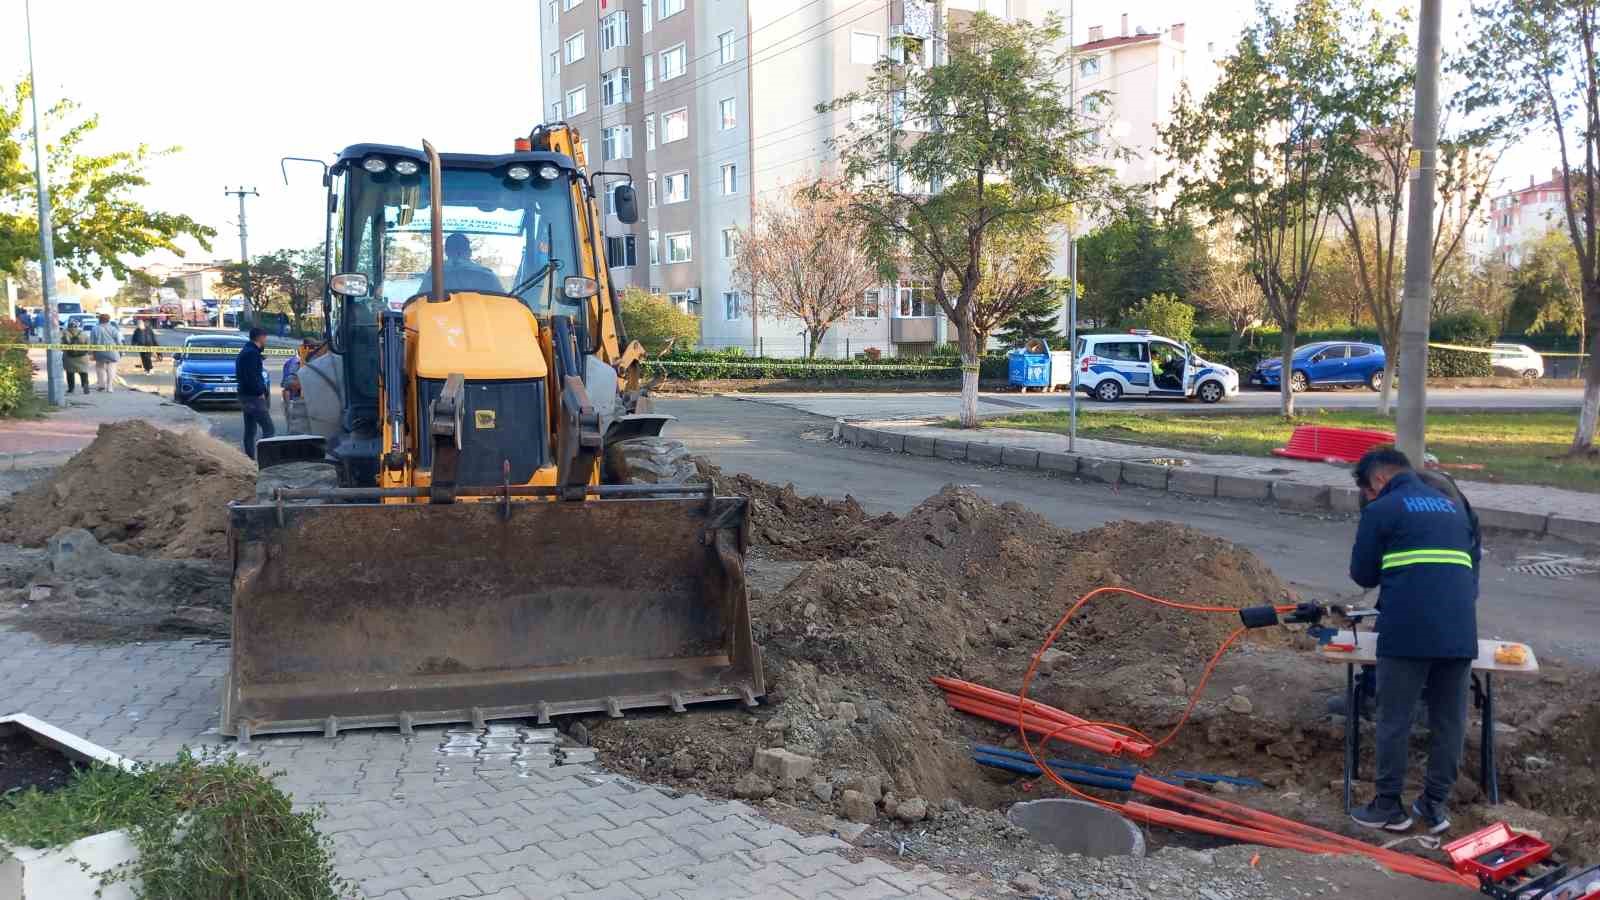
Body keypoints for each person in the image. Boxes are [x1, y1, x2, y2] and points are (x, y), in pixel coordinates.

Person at [1348, 447, 1479, 835]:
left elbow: (1363, 575)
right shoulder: (1452, 506)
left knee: (1395, 719)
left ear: (1379, 482)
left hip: (1407, 631)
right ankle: (1434, 806)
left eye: (1368, 493)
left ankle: (1389, 805)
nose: (1370, 500)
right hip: (1459, 630)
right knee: (1450, 720)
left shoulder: (1382, 509)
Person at [236, 327, 275, 458]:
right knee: (269, 429)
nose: (266, 340)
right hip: (253, 397)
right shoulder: (252, 353)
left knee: (250, 431)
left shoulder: (248, 351)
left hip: (245, 395)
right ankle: (266, 460)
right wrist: (260, 392)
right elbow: (252, 376)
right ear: (260, 337)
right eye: (265, 337)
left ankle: (250, 460)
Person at [88, 313, 123, 392]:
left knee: (99, 367)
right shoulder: (113, 329)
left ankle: (101, 384)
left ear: (99, 320)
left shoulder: (95, 329)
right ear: (108, 320)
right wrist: (121, 351)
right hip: (112, 352)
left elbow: (91, 342)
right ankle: (110, 386)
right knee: (111, 367)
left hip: (99, 352)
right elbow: (118, 341)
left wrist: (90, 353)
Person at [61, 319, 92, 394]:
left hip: (69, 357)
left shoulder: (64, 333)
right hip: (82, 357)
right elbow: (89, 345)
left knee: (70, 373)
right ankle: (85, 386)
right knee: (83, 373)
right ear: (78, 326)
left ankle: (71, 388)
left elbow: (61, 345)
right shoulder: (84, 334)